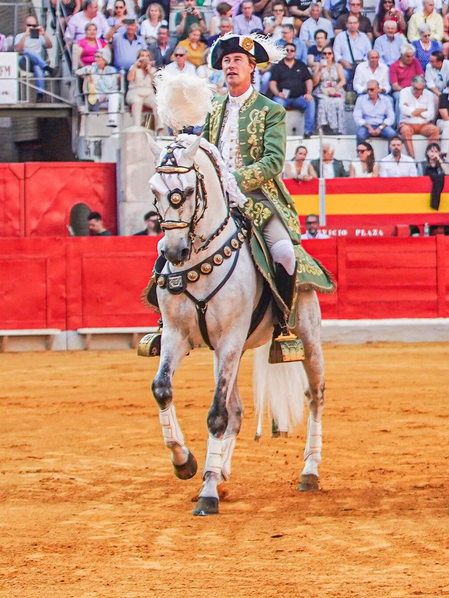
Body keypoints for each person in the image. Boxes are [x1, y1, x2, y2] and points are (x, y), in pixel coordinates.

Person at [141, 35, 336, 360]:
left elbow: (273, 161)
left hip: (259, 201)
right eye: (227, 61)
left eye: (238, 61)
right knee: (166, 245)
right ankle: (167, 323)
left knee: (285, 253)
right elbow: (200, 146)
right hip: (216, 202)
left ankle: (282, 327)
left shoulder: (270, 110)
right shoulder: (214, 107)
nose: (231, 66)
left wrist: (234, 179)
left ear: (251, 68)